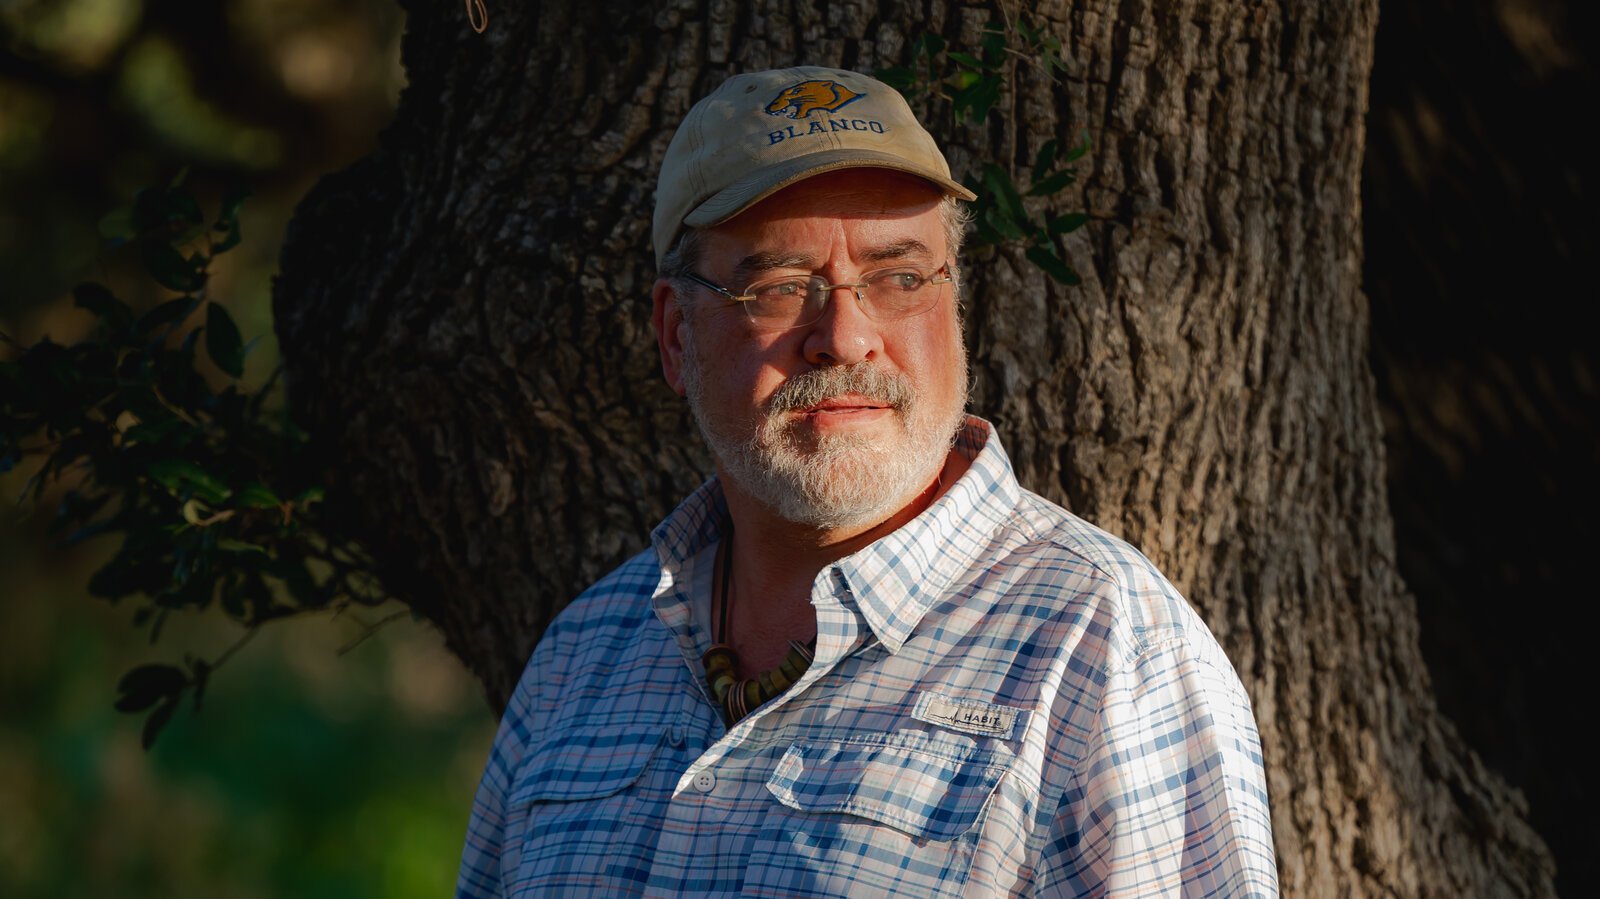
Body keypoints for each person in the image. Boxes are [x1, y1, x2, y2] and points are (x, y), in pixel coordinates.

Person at [456, 65, 1278, 898]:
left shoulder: (1104, 645)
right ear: (676, 335)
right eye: (780, 287)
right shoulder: (582, 655)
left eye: (899, 278)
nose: (846, 338)